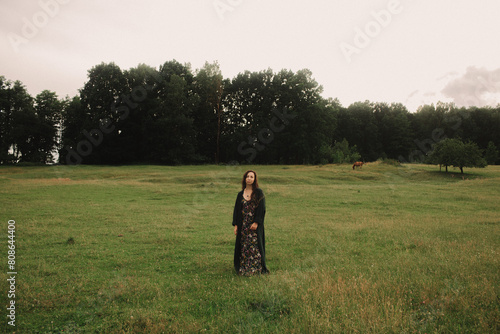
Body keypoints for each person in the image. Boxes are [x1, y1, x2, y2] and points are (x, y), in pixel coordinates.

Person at [232, 170, 268, 275]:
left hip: (254, 225)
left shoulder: (258, 193)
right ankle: (244, 267)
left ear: (254, 179)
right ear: (244, 179)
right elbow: (236, 211)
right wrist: (236, 225)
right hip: (243, 225)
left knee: (255, 245)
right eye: (247, 176)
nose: (249, 178)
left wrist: (257, 222)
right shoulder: (240, 194)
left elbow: (262, 209)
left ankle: (256, 268)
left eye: (251, 177)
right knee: (244, 246)